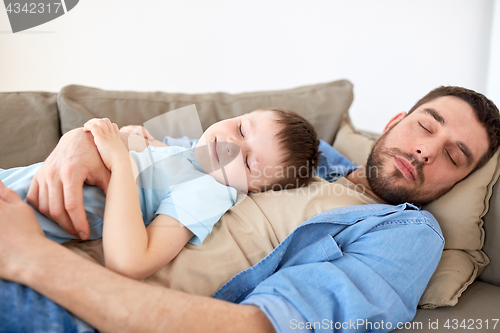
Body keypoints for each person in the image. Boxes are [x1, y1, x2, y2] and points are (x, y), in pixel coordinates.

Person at [1, 86, 499, 332]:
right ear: (395, 121)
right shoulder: (307, 151)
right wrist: (76, 143)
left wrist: (35, 260)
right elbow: (168, 152)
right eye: (425, 127)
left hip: (76, 299)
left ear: (460, 180)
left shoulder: (406, 233)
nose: (426, 152)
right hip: (44, 222)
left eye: (455, 157)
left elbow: (259, 327)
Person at [0, 108, 320, 280]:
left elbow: (129, 263)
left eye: (249, 163)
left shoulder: (209, 191)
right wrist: (128, 136)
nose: (230, 146)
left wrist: (120, 160)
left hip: (23, 215)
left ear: (255, 189)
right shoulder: (185, 148)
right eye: (240, 129)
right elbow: (130, 143)